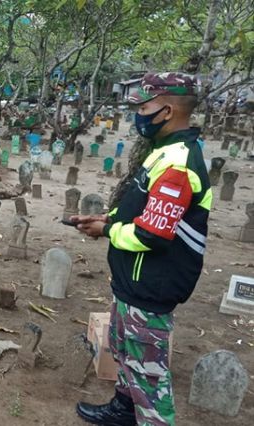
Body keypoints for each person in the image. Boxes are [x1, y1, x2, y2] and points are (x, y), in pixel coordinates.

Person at [72, 72, 210, 426]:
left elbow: (152, 234)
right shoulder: (163, 152)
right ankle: (124, 409)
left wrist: (107, 230)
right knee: (123, 350)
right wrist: (109, 219)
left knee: (148, 375)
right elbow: (142, 208)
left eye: (144, 107)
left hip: (152, 284)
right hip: (134, 282)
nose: (139, 115)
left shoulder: (178, 163)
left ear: (166, 110)